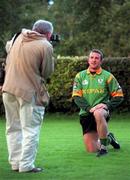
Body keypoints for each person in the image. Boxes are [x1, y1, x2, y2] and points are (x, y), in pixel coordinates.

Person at [2, 19, 54, 172]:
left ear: (33, 29)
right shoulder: (45, 45)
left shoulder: (16, 37)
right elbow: (47, 72)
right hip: (28, 93)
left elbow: (8, 49)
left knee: (13, 128)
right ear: (49, 34)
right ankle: (26, 165)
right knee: (30, 129)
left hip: (8, 90)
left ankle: (15, 163)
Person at [72, 49, 124, 157]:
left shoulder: (107, 76)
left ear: (101, 61)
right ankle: (109, 138)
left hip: (102, 112)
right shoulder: (80, 76)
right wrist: (89, 108)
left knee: (98, 113)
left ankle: (104, 149)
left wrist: (107, 105)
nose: (94, 60)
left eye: (96, 58)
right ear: (88, 60)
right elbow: (76, 96)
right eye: (91, 58)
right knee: (92, 149)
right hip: (86, 114)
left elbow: (119, 96)